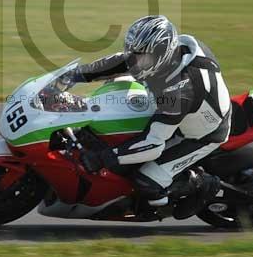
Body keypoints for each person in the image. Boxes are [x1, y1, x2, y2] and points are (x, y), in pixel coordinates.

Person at [57, 15, 231, 218]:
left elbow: (153, 144)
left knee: (146, 180)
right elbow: (121, 62)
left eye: (141, 57)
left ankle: (200, 184)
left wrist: (103, 158)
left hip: (199, 135)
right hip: (181, 111)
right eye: (134, 54)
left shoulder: (177, 94)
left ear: (162, 55)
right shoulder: (169, 53)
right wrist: (76, 75)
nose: (135, 62)